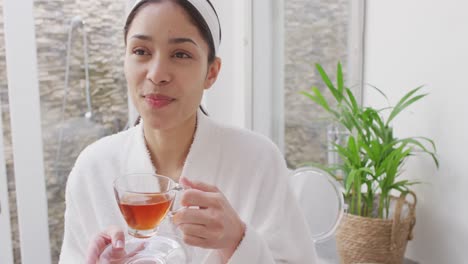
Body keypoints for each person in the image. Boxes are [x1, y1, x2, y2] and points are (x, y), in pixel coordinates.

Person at [59, 0, 318, 263]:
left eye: (181, 54)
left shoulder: (259, 160)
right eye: (141, 51)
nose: (157, 74)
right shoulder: (92, 169)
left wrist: (238, 241)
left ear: (212, 72)